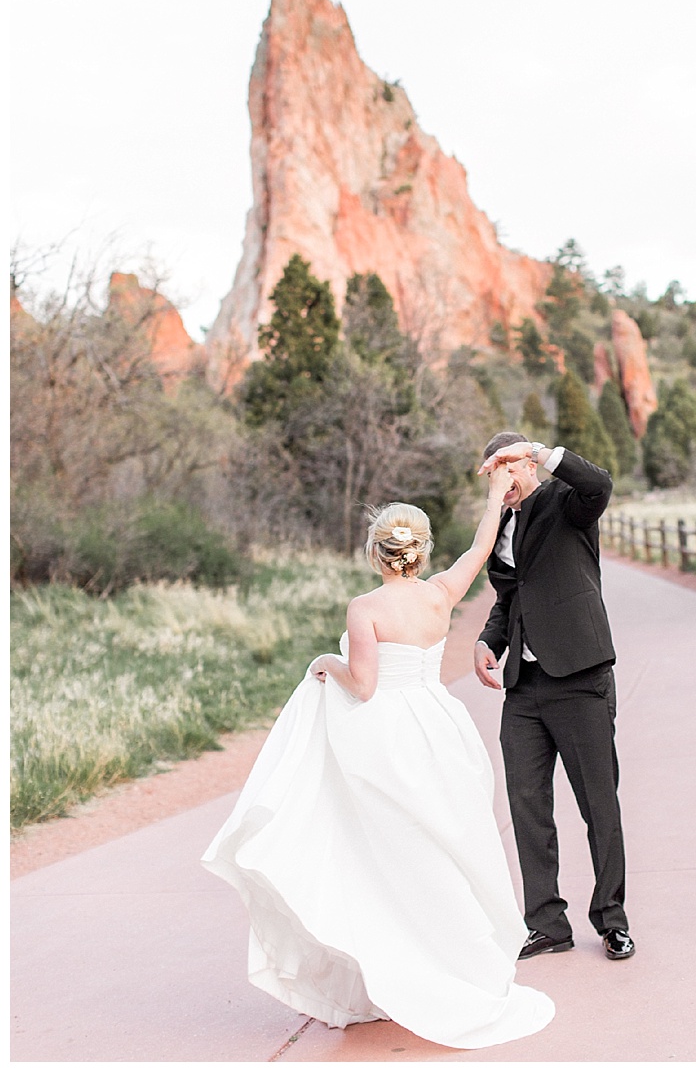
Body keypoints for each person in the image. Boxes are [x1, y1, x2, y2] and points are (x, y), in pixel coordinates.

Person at [202, 464, 554, 1049]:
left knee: (380, 855)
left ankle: (397, 970)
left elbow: (362, 686)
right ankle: (453, 964)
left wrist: (324, 662)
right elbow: (481, 546)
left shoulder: (363, 608)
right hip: (439, 729)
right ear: (420, 552)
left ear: (376, 552)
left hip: (385, 736)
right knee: (444, 848)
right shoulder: (443, 593)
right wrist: (495, 496)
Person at [473, 433, 633, 961]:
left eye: (509, 470)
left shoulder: (568, 502)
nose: (504, 482)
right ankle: (546, 923)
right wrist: (486, 641)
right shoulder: (498, 526)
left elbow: (600, 483)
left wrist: (537, 452)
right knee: (527, 804)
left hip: (580, 675)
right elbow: (509, 598)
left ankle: (612, 919)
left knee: (598, 804)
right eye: (495, 473)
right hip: (524, 689)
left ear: (528, 466)